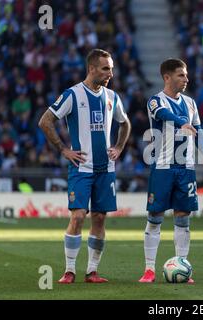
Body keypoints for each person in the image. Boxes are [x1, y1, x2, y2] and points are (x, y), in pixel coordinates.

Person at [38, 49, 131, 284]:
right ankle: (70, 270)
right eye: (105, 68)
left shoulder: (112, 96)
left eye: (111, 68)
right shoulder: (72, 94)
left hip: (105, 169)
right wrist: (63, 149)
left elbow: (125, 123)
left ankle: (92, 272)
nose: (110, 73)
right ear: (91, 69)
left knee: (99, 218)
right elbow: (45, 121)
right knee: (78, 216)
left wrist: (119, 147)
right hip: (81, 169)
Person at [138, 58, 203, 283]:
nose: (186, 79)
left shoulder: (191, 103)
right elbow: (162, 114)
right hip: (162, 167)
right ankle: (149, 269)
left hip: (186, 168)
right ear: (167, 77)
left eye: (186, 75)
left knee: (183, 217)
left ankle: (182, 264)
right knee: (155, 217)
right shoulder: (155, 101)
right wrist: (181, 122)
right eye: (181, 75)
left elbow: (199, 129)